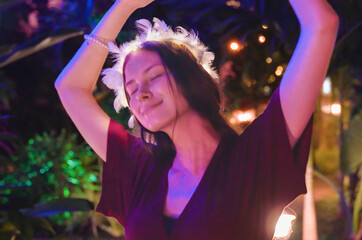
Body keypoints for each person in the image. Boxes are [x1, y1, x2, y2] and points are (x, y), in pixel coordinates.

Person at [54, 0, 339, 239]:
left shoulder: (255, 158)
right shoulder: (140, 168)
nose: (140, 94)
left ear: (191, 79)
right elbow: (70, 88)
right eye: (130, 89)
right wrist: (124, 5)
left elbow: (320, 26)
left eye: (154, 77)